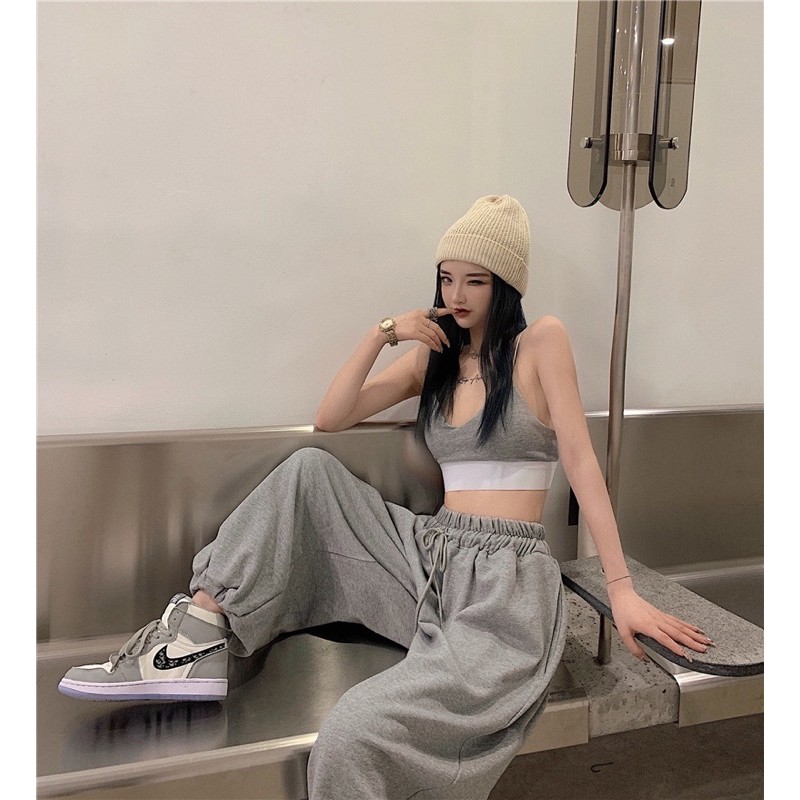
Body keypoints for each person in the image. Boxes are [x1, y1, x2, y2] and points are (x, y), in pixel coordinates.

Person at [58, 195, 711, 800]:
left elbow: (581, 461)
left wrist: (620, 588)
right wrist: (384, 332)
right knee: (309, 472)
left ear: (506, 286)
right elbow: (332, 418)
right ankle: (195, 637)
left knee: (352, 732)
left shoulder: (540, 343)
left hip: (505, 589)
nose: (456, 295)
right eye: (447, 278)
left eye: (475, 281)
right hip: (429, 558)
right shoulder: (435, 360)